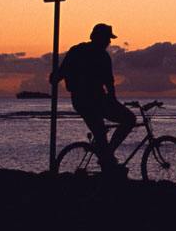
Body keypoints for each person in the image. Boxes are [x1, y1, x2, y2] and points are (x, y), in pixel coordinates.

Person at [51, 23, 135, 176]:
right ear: (100, 38)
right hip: (93, 100)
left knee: (103, 131)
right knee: (128, 120)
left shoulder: (76, 51)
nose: (109, 42)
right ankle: (107, 157)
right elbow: (109, 84)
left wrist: (56, 77)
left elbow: (59, 74)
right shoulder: (101, 56)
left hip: (81, 101)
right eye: (108, 39)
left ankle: (107, 160)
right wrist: (113, 101)